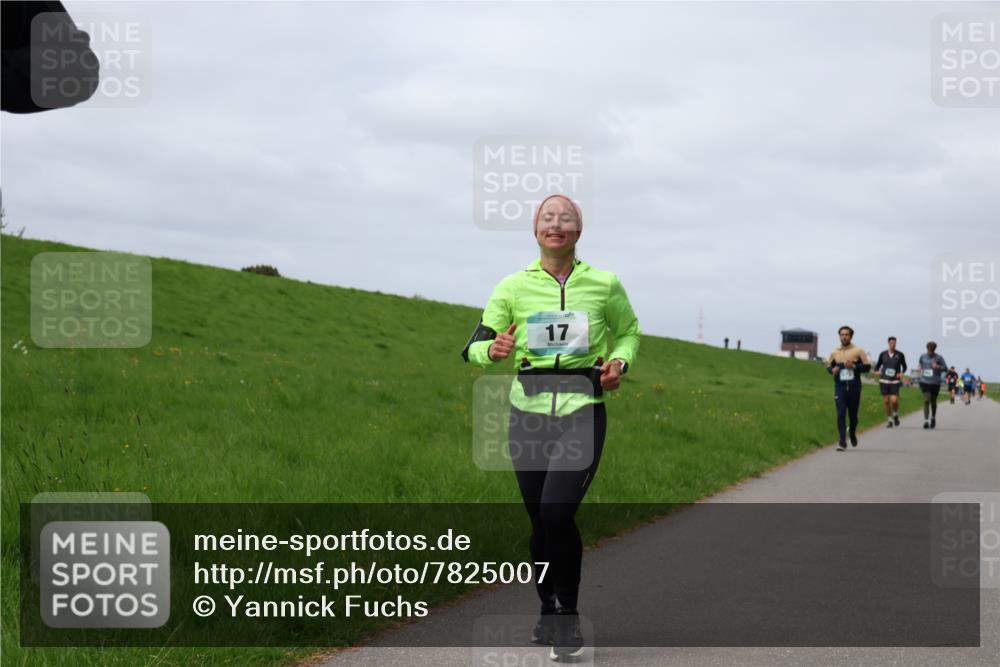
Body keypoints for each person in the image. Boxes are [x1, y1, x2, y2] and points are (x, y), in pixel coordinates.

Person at [462, 193, 640, 662]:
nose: (556, 224)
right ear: (535, 230)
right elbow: (474, 344)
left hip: (583, 410)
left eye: (566, 218)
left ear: (578, 231)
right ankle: (545, 608)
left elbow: (628, 332)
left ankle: (568, 613)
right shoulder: (513, 287)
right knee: (539, 520)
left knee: (558, 514)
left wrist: (620, 362)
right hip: (528, 415)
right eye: (547, 218)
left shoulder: (604, 284)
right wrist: (491, 351)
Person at [825, 326, 872, 451]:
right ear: (839, 336)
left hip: (854, 387)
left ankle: (851, 432)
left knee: (853, 416)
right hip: (840, 387)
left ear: (851, 336)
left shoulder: (858, 351)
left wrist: (855, 366)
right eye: (842, 334)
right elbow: (829, 366)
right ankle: (842, 441)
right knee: (840, 414)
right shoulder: (835, 352)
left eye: (846, 334)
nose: (844, 337)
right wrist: (832, 370)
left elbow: (867, 367)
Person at [873, 336, 907, 428]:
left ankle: (895, 415)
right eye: (891, 342)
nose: (893, 344)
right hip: (884, 381)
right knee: (886, 401)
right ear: (888, 343)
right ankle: (889, 420)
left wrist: (901, 373)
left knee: (894, 401)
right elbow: (877, 367)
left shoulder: (900, 355)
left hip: (895, 381)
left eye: (894, 342)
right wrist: (877, 372)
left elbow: (904, 367)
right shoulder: (883, 354)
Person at [917, 343, 948, 428]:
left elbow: (945, 368)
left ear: (934, 349)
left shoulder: (939, 357)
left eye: (932, 350)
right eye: (929, 350)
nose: (930, 352)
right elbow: (920, 364)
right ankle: (926, 421)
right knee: (926, 400)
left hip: (935, 382)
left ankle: (933, 417)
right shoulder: (922, 356)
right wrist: (919, 368)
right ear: (927, 348)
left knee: (933, 401)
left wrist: (938, 366)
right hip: (924, 381)